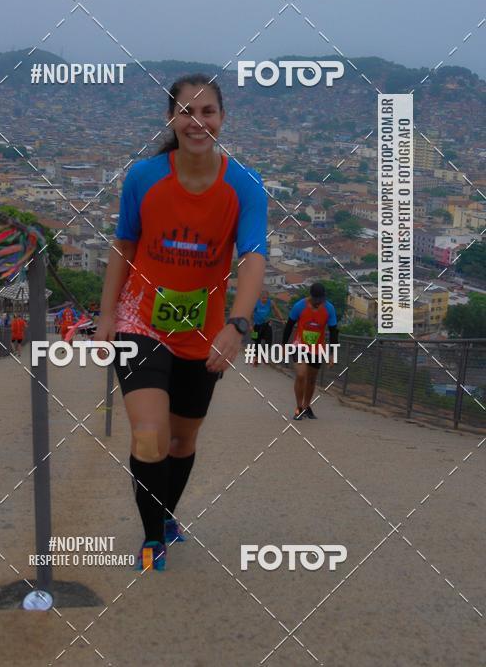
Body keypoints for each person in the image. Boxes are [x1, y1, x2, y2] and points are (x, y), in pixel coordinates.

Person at [94, 73, 267, 571]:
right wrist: (107, 315)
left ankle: (166, 514)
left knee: (181, 441)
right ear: (171, 117)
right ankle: (153, 539)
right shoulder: (144, 176)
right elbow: (124, 245)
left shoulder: (244, 184)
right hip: (140, 321)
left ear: (222, 118)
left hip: (203, 331)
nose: (197, 122)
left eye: (207, 111)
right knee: (149, 436)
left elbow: (253, 256)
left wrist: (238, 322)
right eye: (187, 112)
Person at [282, 282, 338, 419]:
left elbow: (333, 332)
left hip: (317, 348)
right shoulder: (299, 306)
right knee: (301, 375)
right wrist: (283, 345)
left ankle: (307, 406)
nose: (318, 303)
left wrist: (332, 354)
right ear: (310, 296)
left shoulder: (329, 309)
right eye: (315, 300)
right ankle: (299, 407)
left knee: (312, 379)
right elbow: (289, 325)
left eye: (320, 300)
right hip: (299, 345)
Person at [250, 289, 284, 366]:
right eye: (263, 298)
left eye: (266, 298)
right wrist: (250, 325)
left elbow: (276, 311)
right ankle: (256, 358)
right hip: (256, 325)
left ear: (268, 297)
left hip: (267, 324)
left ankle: (263, 355)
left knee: (269, 341)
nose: (265, 299)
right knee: (257, 342)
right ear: (260, 297)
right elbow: (250, 313)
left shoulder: (270, 302)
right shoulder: (255, 303)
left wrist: (281, 319)